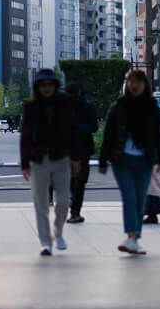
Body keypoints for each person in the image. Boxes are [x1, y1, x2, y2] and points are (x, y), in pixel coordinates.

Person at [98, 69, 160, 255]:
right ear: (127, 85)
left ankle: (134, 239)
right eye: (131, 81)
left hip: (144, 160)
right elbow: (109, 134)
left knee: (139, 199)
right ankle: (131, 237)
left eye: (138, 81)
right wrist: (103, 160)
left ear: (145, 85)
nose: (134, 85)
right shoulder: (118, 106)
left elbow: (159, 135)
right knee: (129, 198)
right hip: (122, 160)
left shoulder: (151, 107)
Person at [20, 68, 83, 256]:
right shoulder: (31, 106)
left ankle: (58, 231)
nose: (46, 88)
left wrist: (76, 157)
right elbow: (25, 136)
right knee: (41, 204)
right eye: (43, 85)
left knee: (64, 201)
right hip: (38, 159)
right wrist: (25, 163)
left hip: (61, 157)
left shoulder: (65, 103)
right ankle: (45, 242)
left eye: (49, 85)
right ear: (37, 87)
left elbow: (73, 131)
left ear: (55, 86)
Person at [64, 82, 98, 223]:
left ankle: (74, 210)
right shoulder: (85, 105)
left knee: (75, 181)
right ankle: (75, 211)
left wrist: (74, 128)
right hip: (78, 148)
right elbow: (94, 126)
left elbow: (94, 126)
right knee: (77, 182)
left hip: (76, 148)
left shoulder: (83, 106)